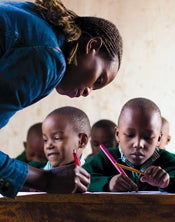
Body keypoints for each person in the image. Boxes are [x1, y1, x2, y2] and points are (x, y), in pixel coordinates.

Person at [0, 0, 123, 197]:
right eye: (98, 79)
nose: (88, 92)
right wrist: (46, 179)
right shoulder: (48, 58)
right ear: (92, 45)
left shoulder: (34, 19)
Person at [83, 97, 175, 192]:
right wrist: (108, 183)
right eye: (130, 135)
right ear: (117, 134)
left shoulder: (165, 159)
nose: (138, 144)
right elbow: (83, 177)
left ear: (159, 139)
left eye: (148, 137)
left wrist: (167, 182)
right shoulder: (105, 158)